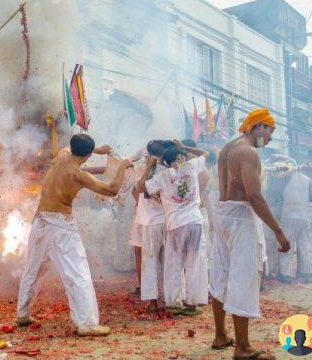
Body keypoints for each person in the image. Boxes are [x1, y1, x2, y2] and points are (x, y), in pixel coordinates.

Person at [15, 134, 133, 336]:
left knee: (33, 269)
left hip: (40, 220)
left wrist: (97, 150)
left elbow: (70, 149)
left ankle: (22, 314)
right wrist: (124, 165)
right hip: (61, 225)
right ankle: (86, 322)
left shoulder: (61, 155)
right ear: (87, 155)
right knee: (78, 273)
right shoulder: (79, 175)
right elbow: (112, 190)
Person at [209, 108, 290, 360]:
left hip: (223, 214)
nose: (270, 138)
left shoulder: (227, 148)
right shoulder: (248, 152)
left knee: (221, 275)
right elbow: (254, 195)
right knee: (243, 278)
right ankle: (242, 347)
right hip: (241, 217)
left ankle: (221, 335)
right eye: (270, 131)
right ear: (257, 126)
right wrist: (278, 232)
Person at [138, 140, 209, 316]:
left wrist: (149, 166)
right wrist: (185, 148)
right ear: (180, 157)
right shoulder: (191, 167)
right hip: (194, 222)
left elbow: (141, 188)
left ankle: (175, 302)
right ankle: (192, 304)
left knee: (174, 264)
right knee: (194, 262)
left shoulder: (162, 176)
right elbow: (205, 154)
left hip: (176, 224)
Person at [135, 140, 167, 312]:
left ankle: (155, 301)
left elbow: (140, 188)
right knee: (169, 262)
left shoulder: (149, 171)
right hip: (164, 222)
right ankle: (169, 300)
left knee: (152, 261)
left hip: (156, 222)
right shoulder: (169, 170)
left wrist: (148, 167)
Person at [278, 168, 312, 284]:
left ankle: (287, 274)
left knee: (287, 243)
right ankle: (306, 273)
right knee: (305, 244)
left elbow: (276, 196)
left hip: (288, 215)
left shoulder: (284, 177)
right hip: (303, 216)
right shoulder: (308, 180)